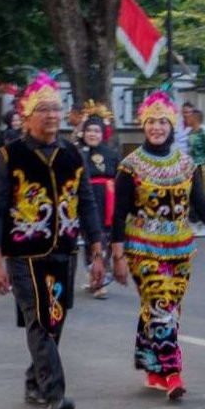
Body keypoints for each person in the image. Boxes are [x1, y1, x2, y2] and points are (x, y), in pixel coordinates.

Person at [0, 72, 105, 409]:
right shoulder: (7, 155)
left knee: (54, 319)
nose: (52, 115)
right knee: (41, 318)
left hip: (65, 249)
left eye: (56, 108)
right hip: (23, 253)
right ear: (27, 114)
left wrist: (97, 249)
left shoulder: (72, 153)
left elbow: (86, 201)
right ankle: (55, 394)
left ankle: (34, 380)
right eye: (43, 108)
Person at [111, 90, 205, 400]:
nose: (156, 127)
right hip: (142, 248)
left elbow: (201, 203)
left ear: (172, 125)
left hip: (181, 249)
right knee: (161, 305)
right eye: (151, 121)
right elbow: (118, 215)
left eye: (162, 121)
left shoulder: (185, 164)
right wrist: (117, 257)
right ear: (143, 125)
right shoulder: (130, 166)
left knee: (167, 309)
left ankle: (152, 367)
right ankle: (173, 373)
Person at [76, 102, 120, 299]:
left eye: (96, 130)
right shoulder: (76, 153)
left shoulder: (111, 154)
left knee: (105, 239)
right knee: (90, 239)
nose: (92, 134)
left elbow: (120, 178)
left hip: (108, 202)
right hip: (86, 201)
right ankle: (94, 275)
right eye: (89, 130)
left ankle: (101, 280)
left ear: (103, 133)